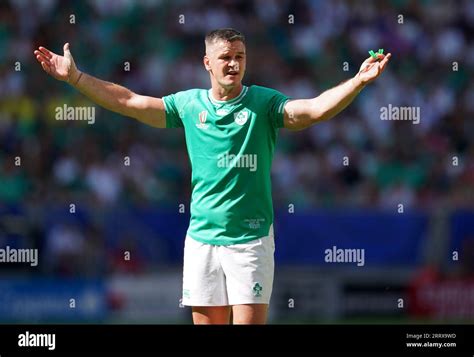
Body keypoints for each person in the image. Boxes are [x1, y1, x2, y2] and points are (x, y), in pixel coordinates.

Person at [34, 28, 391, 324]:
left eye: (240, 57)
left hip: (250, 239)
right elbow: (129, 101)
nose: (234, 64)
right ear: (208, 63)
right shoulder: (189, 105)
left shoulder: (264, 104)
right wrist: (76, 78)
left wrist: (358, 82)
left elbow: (312, 110)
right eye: (225, 57)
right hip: (202, 239)